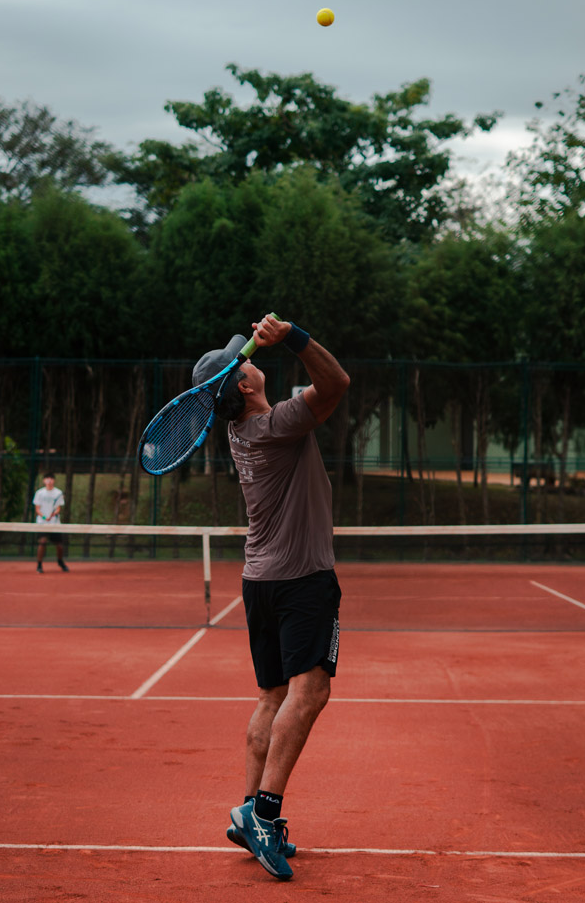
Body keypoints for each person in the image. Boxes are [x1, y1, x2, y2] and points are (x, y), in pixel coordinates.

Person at [192, 313, 350, 881]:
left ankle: (249, 813)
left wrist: (272, 345)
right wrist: (296, 338)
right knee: (310, 693)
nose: (250, 357)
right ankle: (263, 813)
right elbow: (336, 384)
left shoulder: (241, 430)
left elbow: (311, 394)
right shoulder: (276, 425)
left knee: (272, 696)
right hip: (302, 577)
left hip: (258, 580)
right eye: (244, 360)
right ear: (243, 383)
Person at [33, 472, 69, 573]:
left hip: (54, 523)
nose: (49, 480)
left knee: (59, 545)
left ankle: (60, 561)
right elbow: (37, 509)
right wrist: (44, 517)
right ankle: (39, 565)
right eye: (47, 478)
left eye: (51, 478)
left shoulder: (58, 493)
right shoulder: (39, 493)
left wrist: (53, 515)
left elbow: (58, 508)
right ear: (44, 480)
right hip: (42, 523)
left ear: (54, 480)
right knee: (42, 542)